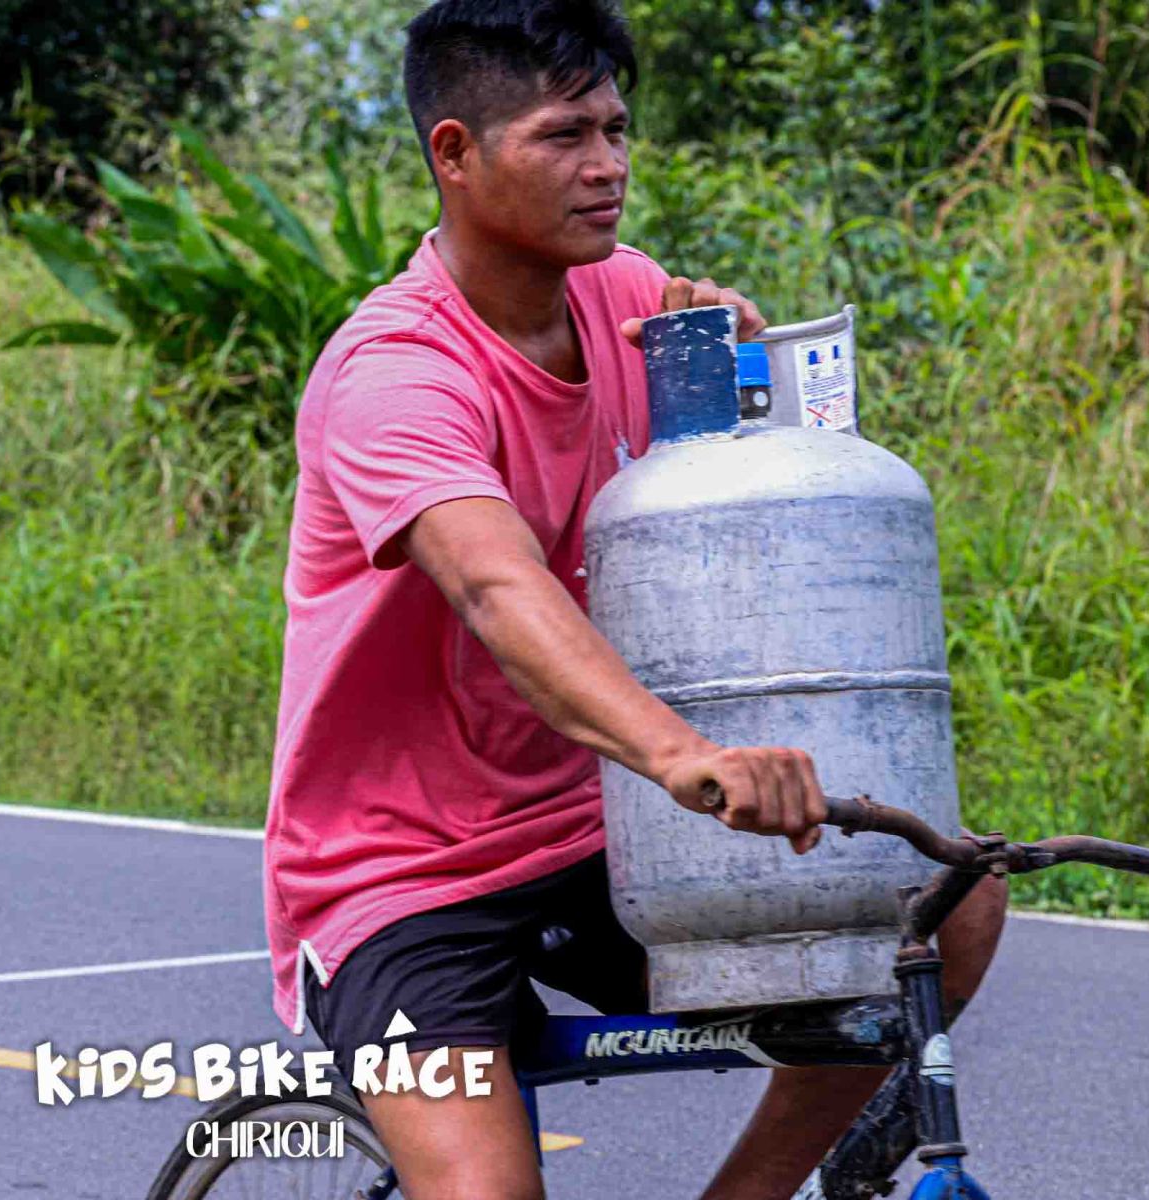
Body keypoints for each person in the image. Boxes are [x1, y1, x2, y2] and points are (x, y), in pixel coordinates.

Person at [260, 2, 1008, 1197]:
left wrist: (735, 387)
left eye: (615, 129)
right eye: (564, 136)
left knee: (939, 908)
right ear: (455, 152)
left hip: (602, 831)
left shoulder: (633, 302)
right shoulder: (394, 374)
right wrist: (682, 755)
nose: (606, 164)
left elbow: (720, 529)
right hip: (403, 875)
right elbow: (497, 586)